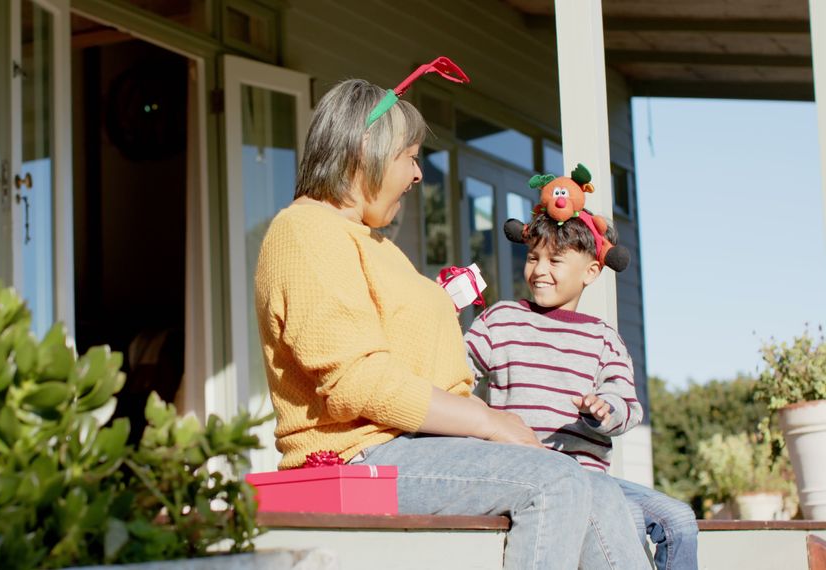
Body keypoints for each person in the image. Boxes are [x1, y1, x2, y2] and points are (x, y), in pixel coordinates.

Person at [253, 59, 649, 570]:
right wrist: (490, 421)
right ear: (364, 154)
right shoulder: (305, 232)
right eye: (411, 158)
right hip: (361, 454)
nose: (419, 173)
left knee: (603, 494)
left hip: (416, 447)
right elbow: (357, 382)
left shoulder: (374, 244)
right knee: (555, 480)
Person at [465, 208, 699, 569]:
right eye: (533, 257)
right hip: (529, 473)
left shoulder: (603, 338)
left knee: (680, 520)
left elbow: (626, 403)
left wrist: (604, 410)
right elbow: (456, 372)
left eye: (555, 260)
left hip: (590, 476)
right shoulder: (502, 319)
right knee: (630, 521)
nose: (540, 270)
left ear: (591, 271)